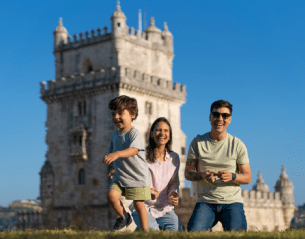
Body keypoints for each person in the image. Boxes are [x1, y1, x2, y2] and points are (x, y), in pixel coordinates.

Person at [185, 100, 252, 232]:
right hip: (205, 202)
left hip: (232, 202)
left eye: (225, 116)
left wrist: (232, 176)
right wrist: (202, 175)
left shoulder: (238, 145)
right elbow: (188, 173)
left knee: (238, 234)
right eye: (216, 115)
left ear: (230, 119)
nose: (220, 119)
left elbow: (248, 177)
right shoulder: (197, 142)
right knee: (194, 232)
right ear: (210, 117)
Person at [103, 95, 151, 231]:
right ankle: (124, 217)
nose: (116, 117)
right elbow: (115, 156)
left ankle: (145, 231)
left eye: (120, 113)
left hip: (137, 177)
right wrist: (114, 168)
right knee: (111, 196)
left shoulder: (133, 133)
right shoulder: (114, 135)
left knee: (139, 205)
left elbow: (134, 150)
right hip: (120, 175)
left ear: (132, 115)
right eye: (114, 114)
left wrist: (117, 154)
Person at [131, 117, 184, 231]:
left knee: (177, 231)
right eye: (158, 130)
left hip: (164, 208)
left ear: (169, 135)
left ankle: (140, 231)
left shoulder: (174, 158)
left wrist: (173, 193)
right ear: (151, 133)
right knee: (153, 232)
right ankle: (143, 229)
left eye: (166, 131)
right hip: (142, 206)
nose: (162, 134)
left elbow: (174, 182)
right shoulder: (141, 156)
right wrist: (146, 192)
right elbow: (131, 184)